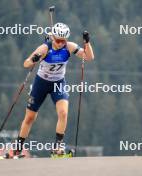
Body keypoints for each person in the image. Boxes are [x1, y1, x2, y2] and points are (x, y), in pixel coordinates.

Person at [13, 22, 94, 157]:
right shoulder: (44, 48)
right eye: (58, 40)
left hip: (58, 83)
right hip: (41, 84)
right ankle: (17, 148)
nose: (61, 43)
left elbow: (89, 57)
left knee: (63, 113)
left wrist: (87, 43)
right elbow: (26, 63)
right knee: (30, 117)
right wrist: (35, 58)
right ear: (53, 37)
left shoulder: (69, 47)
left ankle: (57, 147)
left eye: (64, 40)